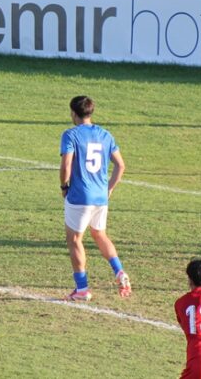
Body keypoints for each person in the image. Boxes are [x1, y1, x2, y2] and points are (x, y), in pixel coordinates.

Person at [60, 95, 131, 301]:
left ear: (74, 113)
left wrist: (64, 186)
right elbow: (121, 165)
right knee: (100, 234)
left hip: (80, 195)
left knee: (74, 239)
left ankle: (82, 288)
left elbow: (66, 165)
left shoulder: (70, 135)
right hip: (100, 196)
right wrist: (109, 189)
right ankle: (119, 271)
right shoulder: (105, 135)